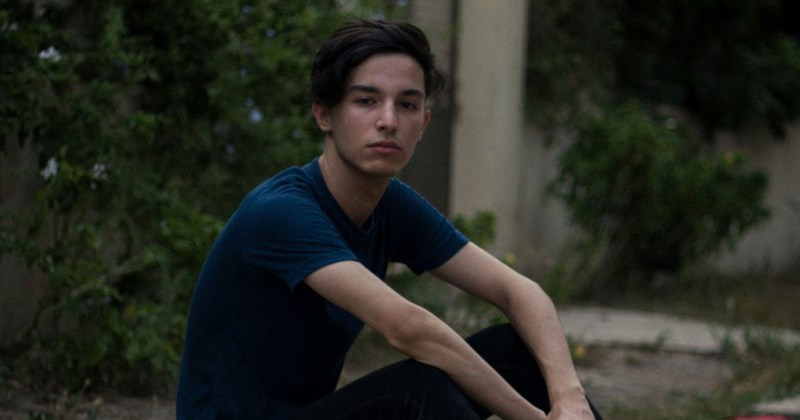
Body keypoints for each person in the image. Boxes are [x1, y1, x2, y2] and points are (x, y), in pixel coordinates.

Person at [176, 18, 602, 419]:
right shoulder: (282, 211)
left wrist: (567, 397)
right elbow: (408, 328)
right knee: (420, 389)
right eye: (366, 101)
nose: (388, 121)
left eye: (407, 105)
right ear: (324, 114)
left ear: (423, 123)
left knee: (519, 348)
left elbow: (519, 292)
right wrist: (531, 417)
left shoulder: (390, 204)